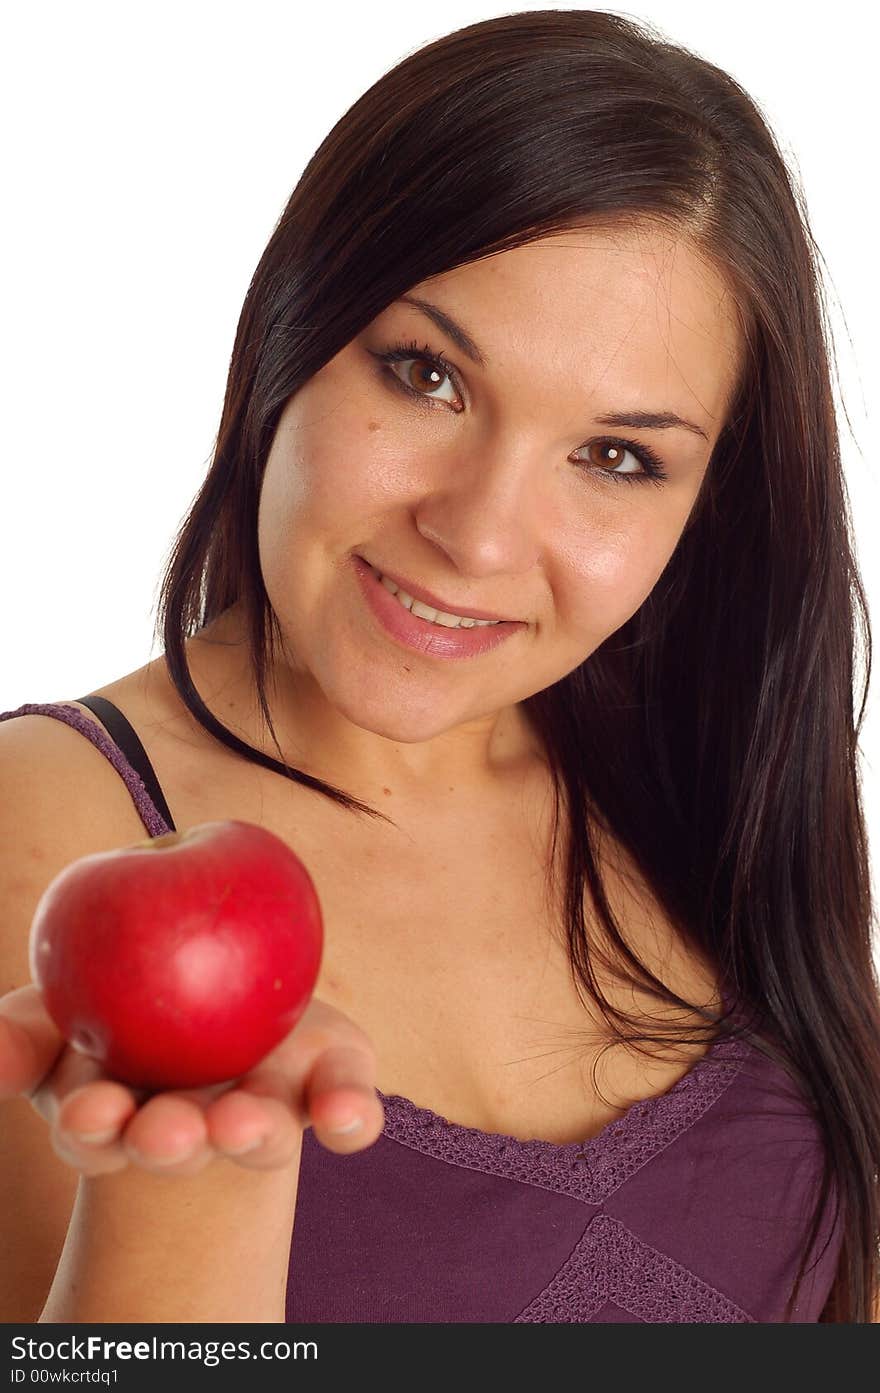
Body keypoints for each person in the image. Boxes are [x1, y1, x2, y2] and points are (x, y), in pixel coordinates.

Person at [1, 8, 878, 1325]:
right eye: (427, 375)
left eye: (617, 456)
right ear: (294, 328)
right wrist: (200, 1192)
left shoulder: (706, 783)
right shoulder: (38, 833)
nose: (473, 533)